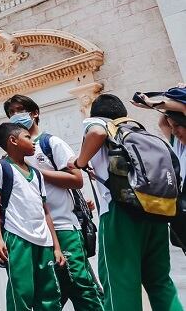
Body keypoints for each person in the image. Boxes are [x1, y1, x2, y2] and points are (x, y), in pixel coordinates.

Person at [70, 93, 183, 311]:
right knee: (160, 282)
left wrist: (79, 161)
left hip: (120, 212)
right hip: (155, 210)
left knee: (120, 283)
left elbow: (96, 132)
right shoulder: (136, 131)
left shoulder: (99, 122)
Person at [4, 94, 102, 310]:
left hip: (64, 226)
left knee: (80, 284)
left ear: (34, 113)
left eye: (19, 110)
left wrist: (37, 172)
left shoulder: (50, 143)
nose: (15, 116)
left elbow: (76, 179)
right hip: (37, 234)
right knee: (47, 292)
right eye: (11, 113)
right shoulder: (10, 157)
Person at [0, 122, 65, 311]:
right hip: (17, 238)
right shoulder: (0, 167)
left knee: (49, 296)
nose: (33, 142)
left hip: (44, 242)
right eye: (28, 138)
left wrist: (56, 246)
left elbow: (45, 211)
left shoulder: (37, 174)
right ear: (13, 140)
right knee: (21, 293)